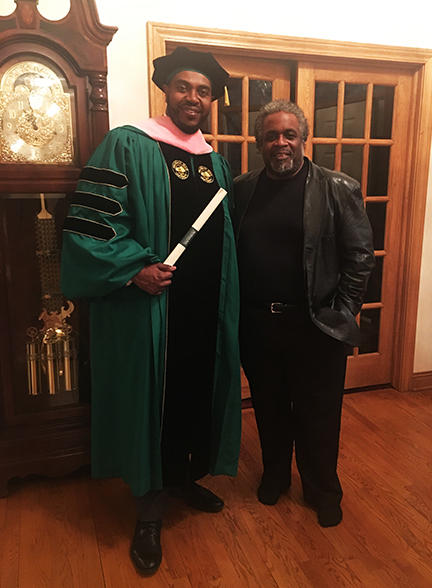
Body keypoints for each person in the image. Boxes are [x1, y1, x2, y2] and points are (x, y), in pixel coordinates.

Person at [60, 47, 241, 576]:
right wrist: (135, 268)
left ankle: (185, 478)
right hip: (152, 306)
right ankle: (149, 512)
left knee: (194, 390)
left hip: (205, 304)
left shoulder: (215, 160)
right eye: (184, 86)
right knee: (153, 400)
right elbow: (93, 225)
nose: (194, 97)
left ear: (211, 100)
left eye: (203, 90)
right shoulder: (127, 144)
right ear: (166, 89)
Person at [233, 99, 374, 528]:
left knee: (318, 414)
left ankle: (321, 489)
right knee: (270, 408)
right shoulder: (242, 189)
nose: (281, 143)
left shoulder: (338, 188)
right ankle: (275, 475)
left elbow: (360, 257)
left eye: (289, 135)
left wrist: (344, 313)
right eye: (272, 135)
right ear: (260, 141)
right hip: (258, 325)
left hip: (316, 325)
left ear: (303, 139)